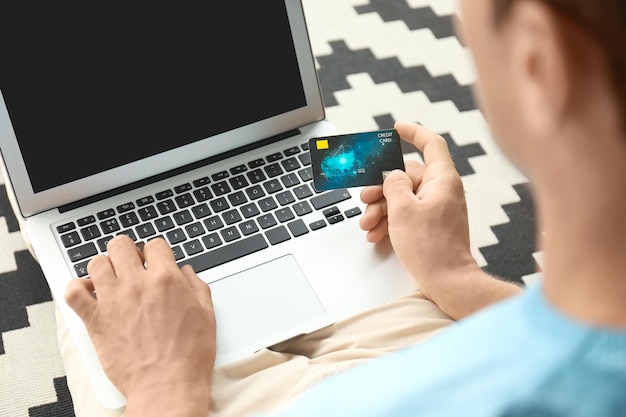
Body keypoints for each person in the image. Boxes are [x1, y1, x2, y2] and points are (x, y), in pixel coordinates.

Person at [62, 0, 626, 416]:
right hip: (458, 326)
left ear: (538, 62)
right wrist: (459, 278)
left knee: (99, 310)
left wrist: (162, 385)